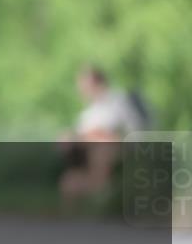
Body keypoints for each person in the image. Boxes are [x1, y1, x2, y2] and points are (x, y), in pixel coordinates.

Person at [59, 65, 147, 202]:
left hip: (123, 147)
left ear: (97, 83)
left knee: (102, 148)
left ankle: (102, 192)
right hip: (90, 154)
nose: (82, 91)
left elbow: (116, 131)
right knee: (69, 181)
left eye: (85, 86)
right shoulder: (87, 113)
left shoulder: (118, 101)